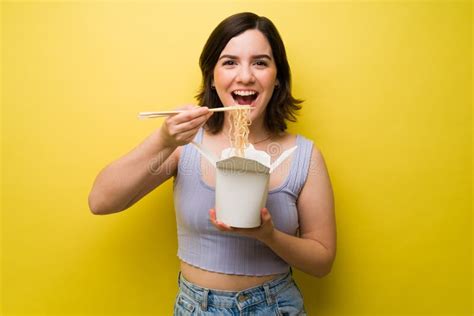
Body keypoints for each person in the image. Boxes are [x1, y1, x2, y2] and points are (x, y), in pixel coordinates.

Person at [88, 12, 336, 315]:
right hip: (196, 307)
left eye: (260, 62)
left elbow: (322, 261)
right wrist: (163, 140)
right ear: (212, 77)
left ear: (278, 77)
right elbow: (101, 202)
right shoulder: (185, 145)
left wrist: (268, 235)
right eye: (230, 62)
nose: (245, 76)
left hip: (276, 306)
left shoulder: (303, 155)